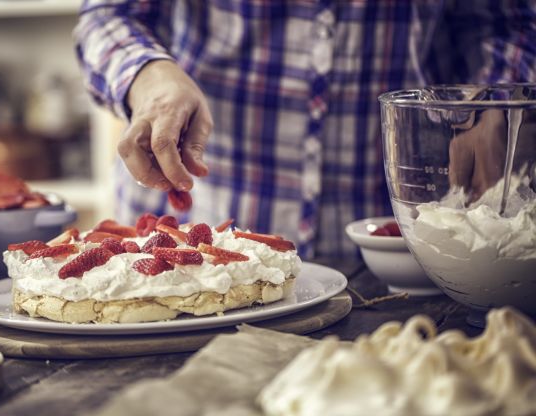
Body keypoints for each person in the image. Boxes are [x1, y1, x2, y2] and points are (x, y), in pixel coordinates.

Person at [74, 0, 536, 260]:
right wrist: (149, 74)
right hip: (191, 242)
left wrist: (499, 105)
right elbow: (107, 15)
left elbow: (507, 21)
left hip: (401, 250)